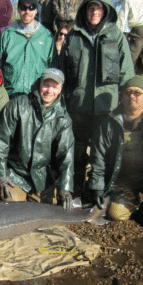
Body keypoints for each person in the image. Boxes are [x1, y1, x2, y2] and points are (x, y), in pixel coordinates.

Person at [59, 0, 134, 193]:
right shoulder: (73, 36)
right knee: (76, 151)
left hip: (106, 107)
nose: (94, 12)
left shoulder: (116, 35)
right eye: (91, 7)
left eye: (99, 8)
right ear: (85, 10)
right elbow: (60, 71)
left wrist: (125, 106)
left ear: (106, 10)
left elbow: (126, 72)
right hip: (77, 106)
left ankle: (98, 190)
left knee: (102, 153)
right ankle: (74, 188)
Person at [0, 68, 74, 210]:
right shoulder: (17, 105)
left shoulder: (63, 118)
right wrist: (1, 174)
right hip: (15, 174)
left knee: (48, 212)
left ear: (60, 89)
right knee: (11, 210)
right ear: (39, 84)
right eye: (46, 85)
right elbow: (1, 141)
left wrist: (65, 187)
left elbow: (66, 155)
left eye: (55, 87)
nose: (49, 91)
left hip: (42, 177)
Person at [88, 75, 143, 221]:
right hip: (120, 182)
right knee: (115, 214)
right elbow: (98, 156)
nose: (132, 96)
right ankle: (134, 203)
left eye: (137, 93)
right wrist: (97, 187)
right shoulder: (109, 123)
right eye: (128, 92)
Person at [0, 0, 57, 99]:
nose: (27, 11)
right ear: (18, 10)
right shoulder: (7, 34)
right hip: (10, 95)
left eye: (31, 8)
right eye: (23, 7)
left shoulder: (46, 37)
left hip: (37, 96)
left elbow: (53, 67)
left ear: (36, 10)